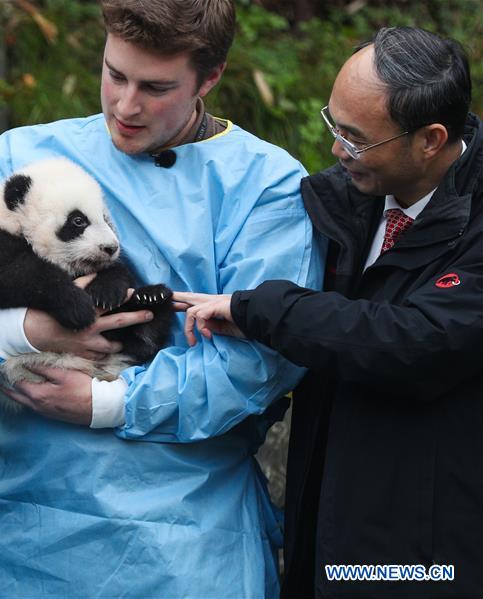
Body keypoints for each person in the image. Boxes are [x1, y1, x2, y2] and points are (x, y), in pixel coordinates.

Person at [0, 1, 323, 596]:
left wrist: (109, 402)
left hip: (185, 542)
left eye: (156, 87)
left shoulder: (265, 190)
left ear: (211, 78)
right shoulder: (22, 160)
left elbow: (259, 360)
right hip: (29, 532)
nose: (126, 106)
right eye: (115, 74)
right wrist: (26, 329)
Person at [179, 27, 481, 598]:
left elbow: (412, 340)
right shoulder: (347, 202)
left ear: (431, 140)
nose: (337, 150)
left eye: (356, 138)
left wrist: (261, 308)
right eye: (333, 123)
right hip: (328, 528)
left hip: (426, 562)